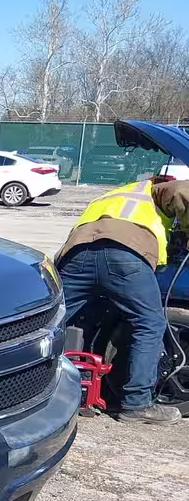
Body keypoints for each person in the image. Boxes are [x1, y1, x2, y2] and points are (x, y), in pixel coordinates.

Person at [55, 176, 189, 424]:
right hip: (123, 256)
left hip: (75, 256)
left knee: (51, 324)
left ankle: (34, 390)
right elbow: (182, 190)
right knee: (149, 323)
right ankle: (136, 405)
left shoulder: (110, 196)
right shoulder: (153, 188)